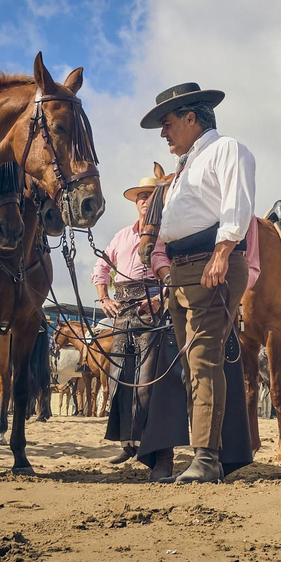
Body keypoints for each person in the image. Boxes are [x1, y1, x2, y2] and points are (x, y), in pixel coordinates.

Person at [144, 82, 258, 483]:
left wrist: (223, 253)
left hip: (209, 263)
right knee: (194, 364)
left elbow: (236, 204)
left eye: (168, 122)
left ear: (192, 118)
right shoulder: (187, 166)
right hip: (183, 271)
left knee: (203, 359)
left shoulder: (226, 149)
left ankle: (207, 457)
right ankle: (205, 451)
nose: (163, 133)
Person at [96, 168, 190, 482]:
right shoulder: (122, 236)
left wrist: (162, 297)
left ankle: (159, 451)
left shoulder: (169, 233)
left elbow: (174, 270)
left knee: (152, 380)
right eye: (141, 198)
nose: (144, 202)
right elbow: (102, 267)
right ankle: (128, 441)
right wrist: (102, 297)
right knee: (119, 376)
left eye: (150, 197)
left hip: (155, 309)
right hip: (123, 309)